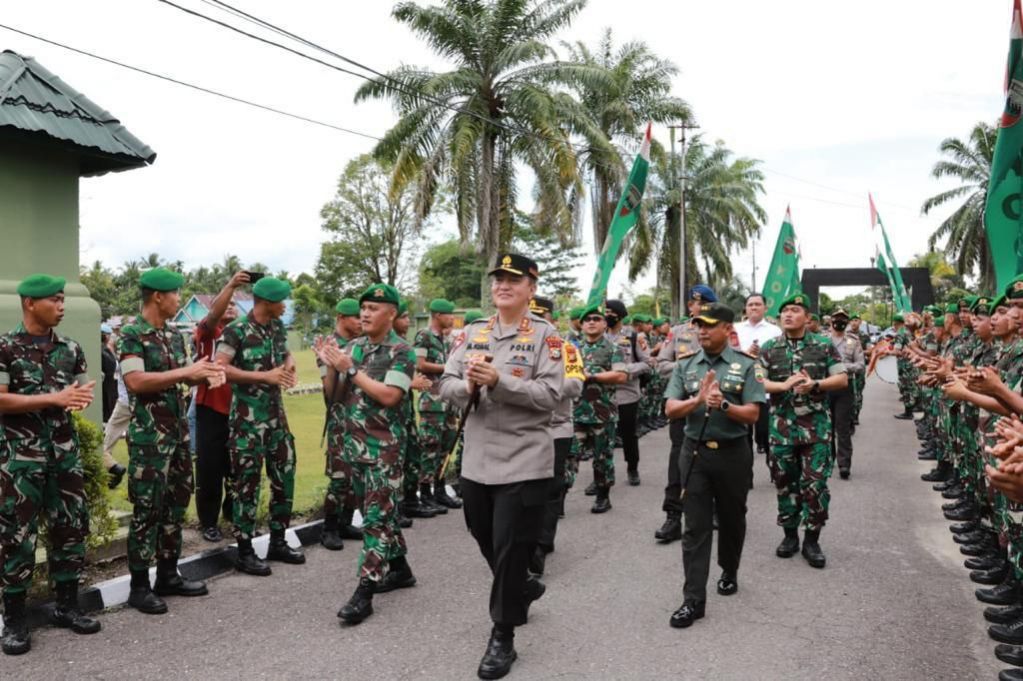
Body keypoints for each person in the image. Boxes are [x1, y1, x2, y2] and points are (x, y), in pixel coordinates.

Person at [438, 253, 562, 680]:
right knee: (482, 533)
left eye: (513, 279)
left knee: (510, 547)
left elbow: (551, 395)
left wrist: (501, 383)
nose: (503, 285)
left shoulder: (547, 337)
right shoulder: (473, 332)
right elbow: (444, 383)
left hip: (525, 459)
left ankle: (503, 635)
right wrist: (469, 384)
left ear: (531, 286)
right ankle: (522, 586)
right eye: (498, 279)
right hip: (476, 460)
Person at [0, 274, 100, 655]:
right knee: (16, 537)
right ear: (29, 303)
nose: (62, 306)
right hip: (20, 461)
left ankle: (67, 606)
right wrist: (55, 398)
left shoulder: (71, 348)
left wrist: (77, 398)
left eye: (63, 300)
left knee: (70, 528)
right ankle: (15, 620)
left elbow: (79, 390)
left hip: (64, 455)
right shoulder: (5, 348)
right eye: (55, 300)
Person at [118, 267, 223, 614]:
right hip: (150, 440)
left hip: (178, 436)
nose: (180, 299)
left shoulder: (175, 336)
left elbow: (181, 379)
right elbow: (135, 381)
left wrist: (207, 377)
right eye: (176, 293)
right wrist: (186, 373)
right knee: (148, 510)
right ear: (158, 297)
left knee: (175, 507)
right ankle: (138, 586)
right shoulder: (132, 334)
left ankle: (168, 575)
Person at [664, 301, 764, 629]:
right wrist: (696, 401)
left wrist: (722, 404)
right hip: (695, 454)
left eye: (709, 325)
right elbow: (670, 409)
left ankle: (729, 569)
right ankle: (692, 600)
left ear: (727, 329)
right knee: (695, 527)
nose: (702, 331)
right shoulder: (686, 364)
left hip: (733, 453)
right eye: (698, 325)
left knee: (733, 519)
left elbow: (752, 413)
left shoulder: (746, 365)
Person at [328, 283, 419, 625]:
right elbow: (335, 397)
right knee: (380, 512)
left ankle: (364, 591)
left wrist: (351, 369)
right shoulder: (353, 346)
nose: (364, 313)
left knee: (376, 519)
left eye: (373, 308)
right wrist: (332, 367)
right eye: (363, 307)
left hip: (385, 449)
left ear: (391, 314)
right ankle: (401, 569)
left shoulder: (402, 352)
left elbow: (390, 396)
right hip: (356, 445)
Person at [216, 276, 304, 576]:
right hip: (247, 423)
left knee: (284, 476)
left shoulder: (277, 328)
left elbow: (285, 354)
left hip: (277, 419)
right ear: (266, 302)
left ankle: (278, 541)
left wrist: (289, 364)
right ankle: (245, 550)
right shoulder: (236, 330)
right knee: (247, 485)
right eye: (282, 301)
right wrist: (263, 377)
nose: (285, 306)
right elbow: (220, 368)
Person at [759, 292, 847, 568]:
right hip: (781, 428)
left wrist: (816, 384)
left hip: (816, 430)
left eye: (795, 310)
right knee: (784, 482)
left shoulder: (823, 346)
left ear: (807, 318)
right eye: (785, 310)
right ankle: (789, 536)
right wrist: (783, 386)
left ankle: (812, 539)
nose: (788, 314)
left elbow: (842, 378)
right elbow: (757, 380)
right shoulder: (770, 347)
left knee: (815, 484)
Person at [654, 284, 715, 542]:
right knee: (678, 460)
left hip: (714, 405)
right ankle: (673, 516)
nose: (698, 307)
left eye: (704, 303)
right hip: (682, 403)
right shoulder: (677, 332)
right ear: (689, 306)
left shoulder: (725, 330)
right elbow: (661, 363)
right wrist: (687, 366)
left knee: (714, 458)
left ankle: (712, 510)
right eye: (694, 303)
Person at [529, 296, 583, 577]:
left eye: (542, 316)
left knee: (551, 487)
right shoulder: (516, 346)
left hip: (555, 426)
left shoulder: (567, 349)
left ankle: (540, 546)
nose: (537, 321)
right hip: (522, 428)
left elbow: (575, 386)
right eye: (532, 315)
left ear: (552, 319)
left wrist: (538, 388)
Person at [193, 271, 248, 543]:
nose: (230, 307)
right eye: (225, 303)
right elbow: (213, 315)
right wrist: (231, 285)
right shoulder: (208, 332)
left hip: (241, 409)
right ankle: (208, 522)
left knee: (238, 466)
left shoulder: (244, 334)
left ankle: (234, 515)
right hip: (212, 408)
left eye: (234, 304)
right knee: (210, 467)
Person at [315, 298, 365, 550]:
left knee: (357, 474)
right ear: (341, 318)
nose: (361, 321)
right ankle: (329, 528)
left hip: (362, 418)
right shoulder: (330, 346)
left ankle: (345, 521)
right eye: (356, 316)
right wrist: (334, 364)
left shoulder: (362, 344)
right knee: (340, 476)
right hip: (340, 420)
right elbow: (331, 392)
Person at [573, 304, 628, 513]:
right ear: (582, 325)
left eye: (597, 319)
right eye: (588, 320)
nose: (592, 322)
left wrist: (592, 376)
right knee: (569, 456)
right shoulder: (573, 350)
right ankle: (557, 500)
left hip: (602, 413)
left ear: (605, 324)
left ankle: (603, 496)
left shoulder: (614, 349)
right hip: (576, 413)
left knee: (602, 458)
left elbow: (621, 376)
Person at [415, 299, 462, 511]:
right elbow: (420, 364)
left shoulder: (445, 338)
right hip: (432, 401)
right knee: (430, 447)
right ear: (437, 316)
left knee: (446, 446)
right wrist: (448, 367)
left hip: (447, 401)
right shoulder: (424, 336)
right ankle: (425, 493)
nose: (452, 318)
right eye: (449, 314)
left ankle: (440, 490)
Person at [604, 299, 650, 487]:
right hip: (604, 394)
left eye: (610, 312)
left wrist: (625, 370)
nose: (607, 315)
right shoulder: (599, 336)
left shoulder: (633, 337)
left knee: (628, 434)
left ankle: (632, 468)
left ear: (620, 315)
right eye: (605, 312)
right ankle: (604, 473)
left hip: (627, 394)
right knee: (604, 436)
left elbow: (647, 362)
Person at [734, 293, 781, 458]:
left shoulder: (775, 330)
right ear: (745, 309)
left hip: (764, 388)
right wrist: (746, 354)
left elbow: (779, 357)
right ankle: (745, 477)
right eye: (750, 304)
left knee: (766, 432)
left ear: (765, 308)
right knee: (742, 435)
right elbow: (729, 355)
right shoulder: (735, 329)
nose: (754, 307)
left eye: (757, 304)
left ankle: (775, 469)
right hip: (740, 387)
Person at [828, 309, 863, 479]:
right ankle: (828, 460)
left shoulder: (853, 341)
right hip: (825, 387)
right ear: (831, 321)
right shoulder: (821, 340)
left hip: (844, 387)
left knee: (842, 427)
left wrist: (842, 367)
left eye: (843, 319)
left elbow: (860, 365)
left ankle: (844, 464)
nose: (839, 321)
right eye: (837, 319)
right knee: (826, 426)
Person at [100, 324, 128, 489]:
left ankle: (112, 467)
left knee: (107, 439)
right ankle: (111, 467)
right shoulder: (105, 352)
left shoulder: (106, 352)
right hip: (115, 398)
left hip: (119, 400)